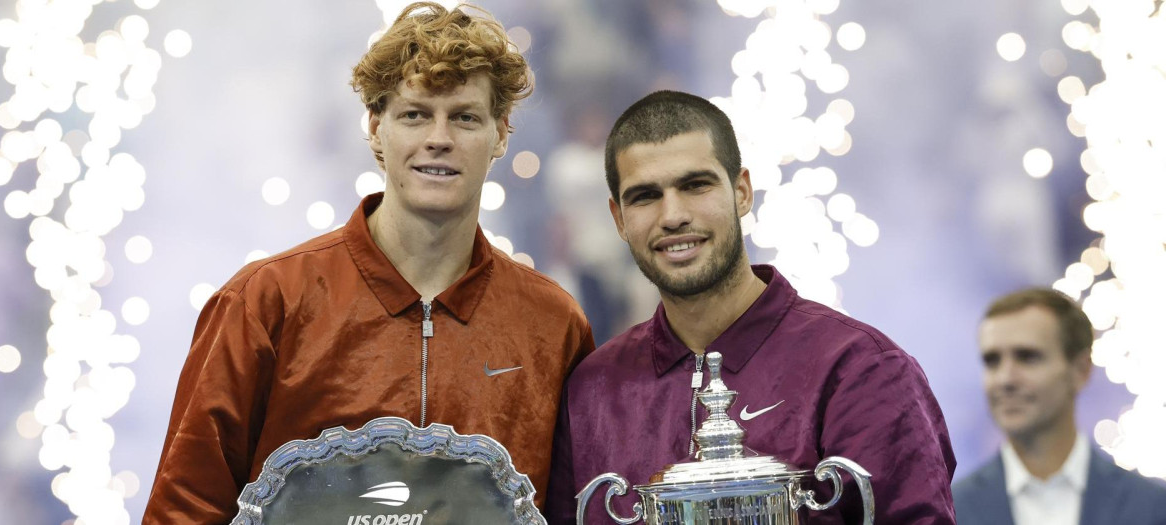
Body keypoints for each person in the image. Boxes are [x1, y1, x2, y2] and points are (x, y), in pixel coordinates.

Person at [143, 3, 594, 522]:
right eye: (415, 114)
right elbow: (183, 510)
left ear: (502, 132)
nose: (439, 138)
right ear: (377, 127)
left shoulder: (551, 323)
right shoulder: (267, 303)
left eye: (465, 117)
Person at [545, 90, 956, 524]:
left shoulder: (860, 369)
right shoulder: (591, 390)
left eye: (695, 185)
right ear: (619, 219)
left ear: (742, 192)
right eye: (645, 196)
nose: (673, 215)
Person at [953, 288, 1166, 525]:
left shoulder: (1153, 508)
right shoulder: (949, 512)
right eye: (992, 361)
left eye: (1027, 357)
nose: (1005, 379)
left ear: (1080, 370)